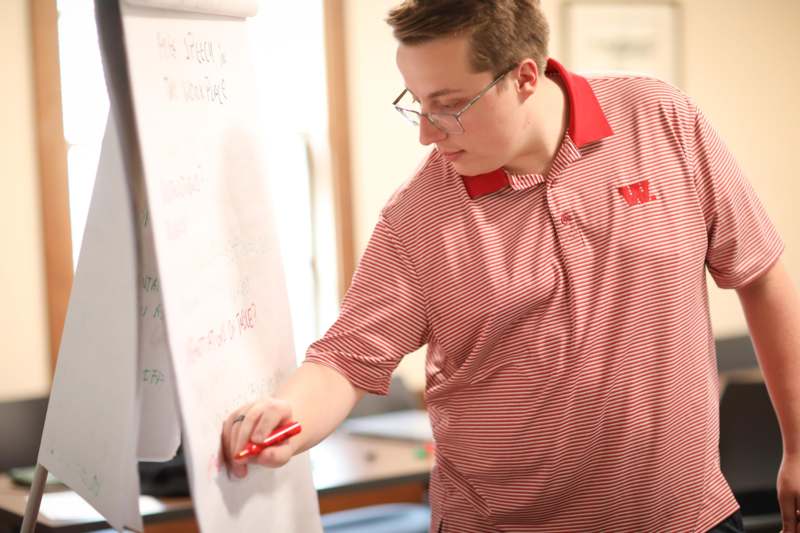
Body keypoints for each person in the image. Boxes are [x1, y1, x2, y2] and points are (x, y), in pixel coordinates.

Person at [221, 1, 800, 531]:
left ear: (525, 77)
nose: (427, 133)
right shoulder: (417, 217)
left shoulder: (663, 119)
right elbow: (345, 362)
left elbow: (760, 272)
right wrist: (287, 416)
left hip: (687, 518)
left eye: (448, 106)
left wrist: (798, 448)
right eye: (416, 104)